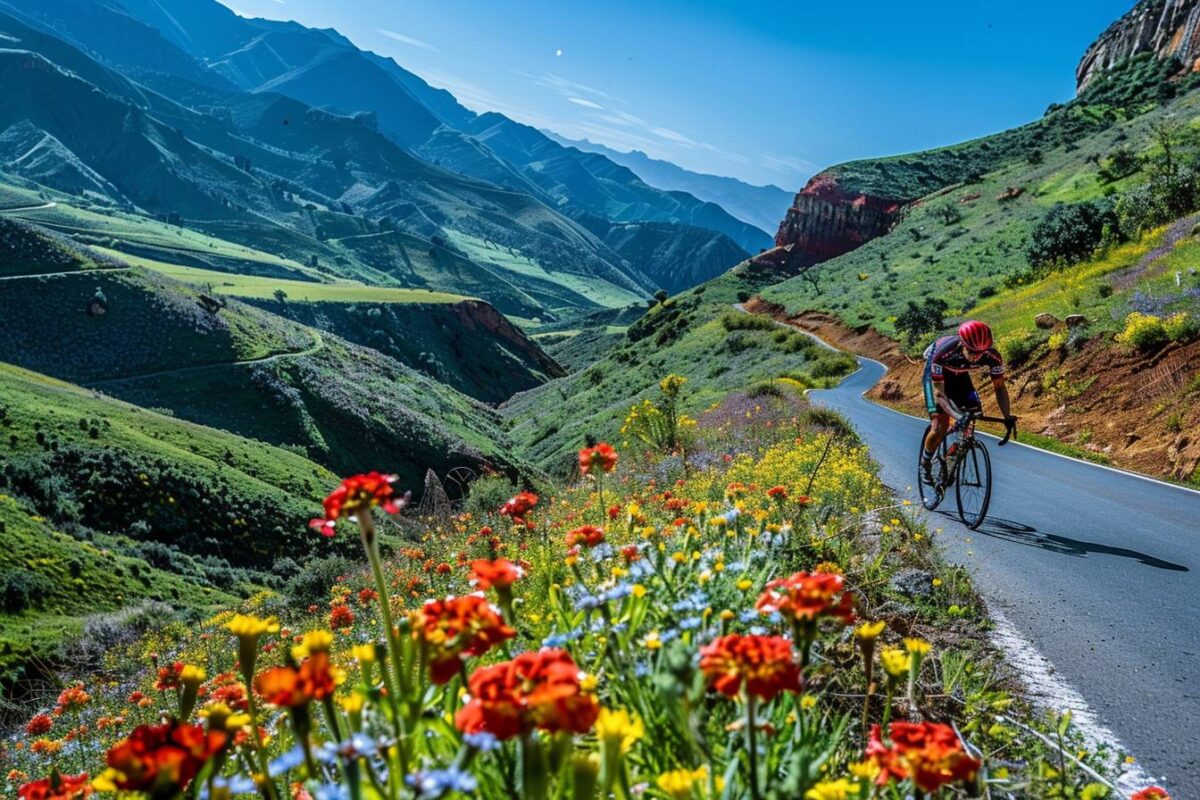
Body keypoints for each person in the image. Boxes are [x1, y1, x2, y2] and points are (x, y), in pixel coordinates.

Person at [920, 320, 1013, 485]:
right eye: (971, 351)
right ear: (963, 344)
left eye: (981, 352)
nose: (976, 357)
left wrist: (1007, 416)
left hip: (960, 373)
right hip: (937, 376)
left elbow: (999, 387)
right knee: (940, 424)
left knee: (973, 415)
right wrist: (956, 415)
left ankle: (950, 463)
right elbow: (939, 394)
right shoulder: (944, 353)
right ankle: (925, 463)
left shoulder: (992, 357)